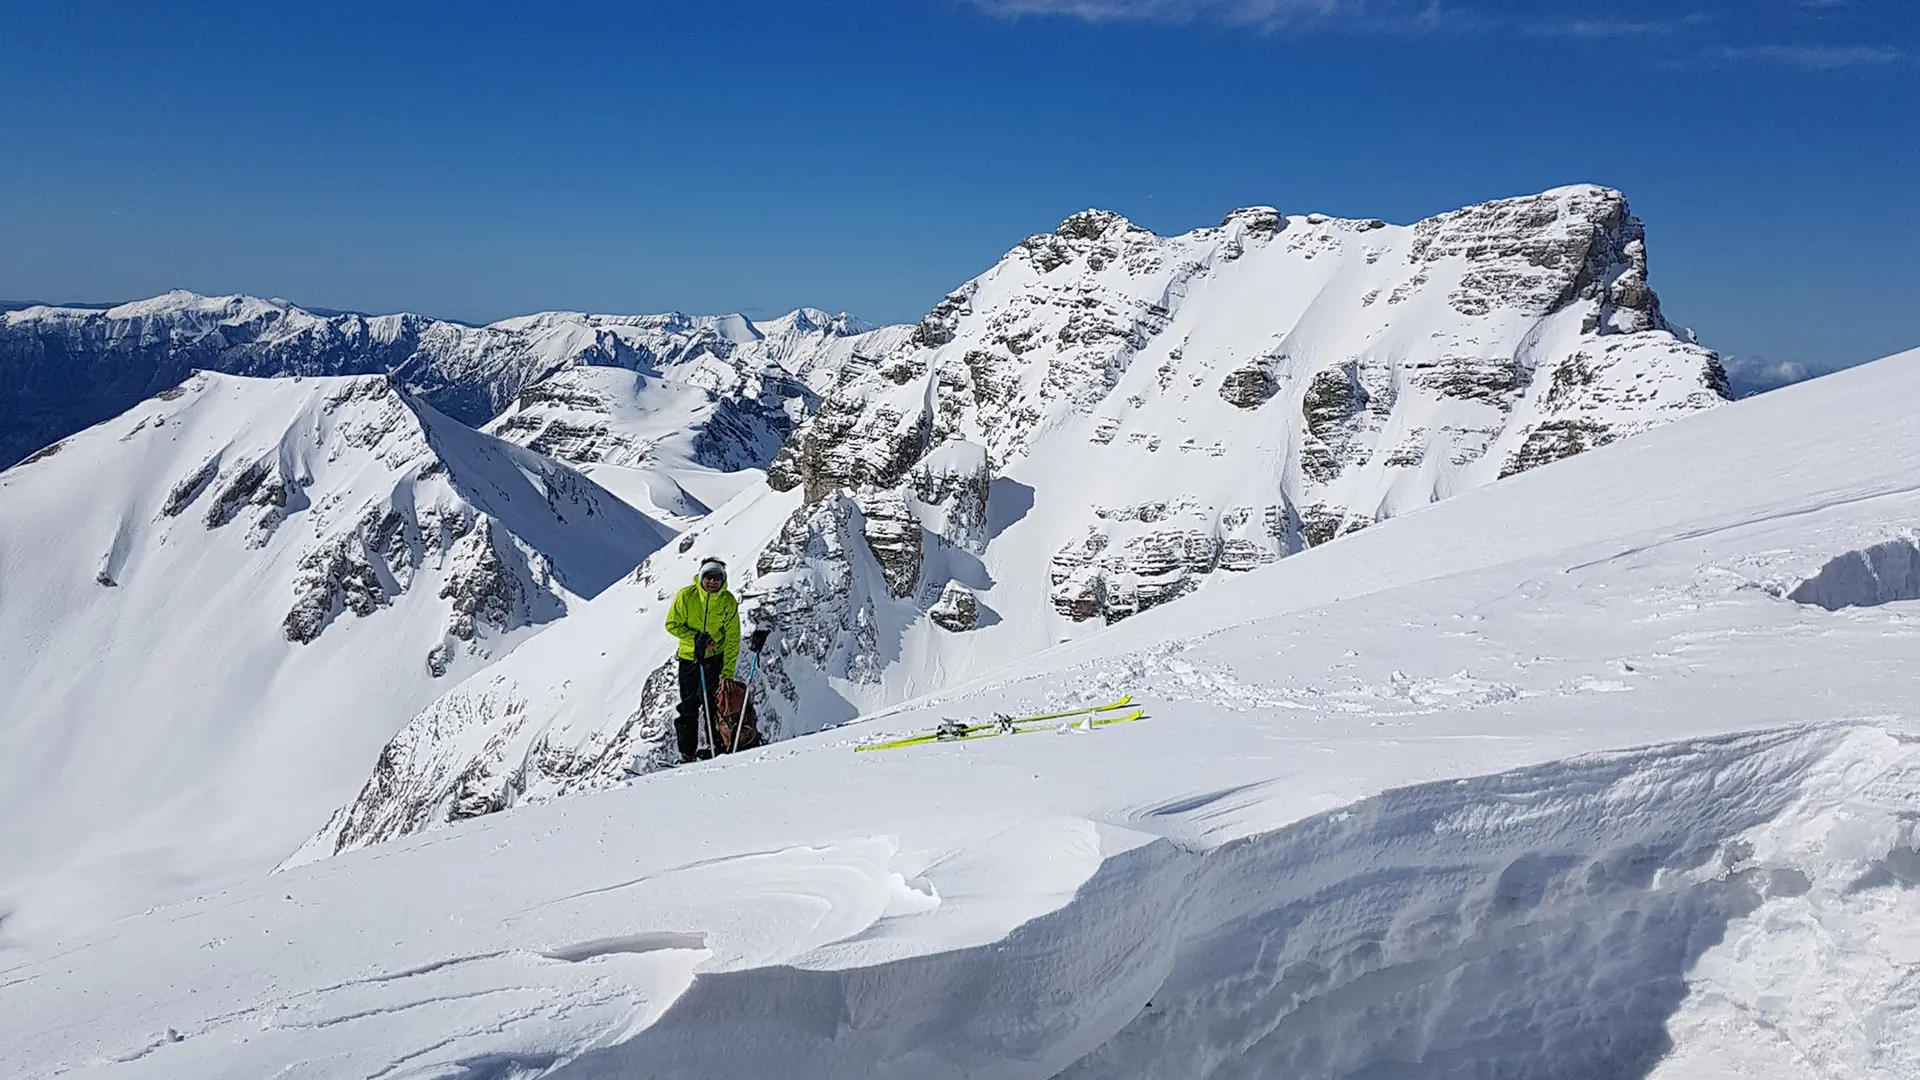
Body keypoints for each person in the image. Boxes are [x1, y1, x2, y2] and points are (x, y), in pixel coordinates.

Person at [664, 557, 740, 762]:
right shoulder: (686, 596)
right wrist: (697, 638)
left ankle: (716, 749)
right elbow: (672, 624)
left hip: (714, 660)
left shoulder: (728, 601)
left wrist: (727, 672)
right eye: (709, 577)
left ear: (723, 580)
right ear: (701, 577)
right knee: (688, 706)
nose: (713, 582)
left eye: (717, 578)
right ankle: (687, 754)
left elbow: (732, 637)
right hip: (689, 659)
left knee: (713, 707)